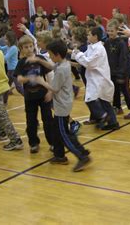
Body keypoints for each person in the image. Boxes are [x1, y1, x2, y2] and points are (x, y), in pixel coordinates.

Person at [34, 39, 91, 171]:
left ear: (57, 55)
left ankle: (81, 157)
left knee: (64, 135)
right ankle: (61, 155)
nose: (50, 57)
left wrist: (40, 81)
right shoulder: (63, 64)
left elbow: (54, 89)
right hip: (65, 103)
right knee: (60, 132)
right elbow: (52, 66)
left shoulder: (61, 70)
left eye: (50, 55)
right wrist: (40, 61)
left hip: (61, 106)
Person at [71, 27, 118, 130]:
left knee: (90, 99)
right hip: (96, 78)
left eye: (89, 35)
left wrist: (77, 54)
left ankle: (103, 116)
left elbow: (88, 63)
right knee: (104, 101)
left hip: (99, 79)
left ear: (95, 36)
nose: (87, 36)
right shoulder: (92, 47)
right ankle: (113, 122)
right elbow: (83, 57)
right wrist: (75, 52)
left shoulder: (99, 49)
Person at [14, 35, 54, 154]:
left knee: (48, 120)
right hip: (30, 96)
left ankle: (52, 142)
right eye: (26, 47)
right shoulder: (21, 63)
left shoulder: (40, 58)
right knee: (31, 121)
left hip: (43, 95)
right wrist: (30, 78)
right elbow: (20, 79)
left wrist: (50, 91)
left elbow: (49, 74)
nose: (29, 49)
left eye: (31, 46)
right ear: (21, 48)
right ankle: (34, 143)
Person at [105, 19, 130, 119]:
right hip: (112, 72)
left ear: (117, 31)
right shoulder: (107, 42)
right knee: (115, 90)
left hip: (122, 73)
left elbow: (124, 60)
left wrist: (121, 74)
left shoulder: (121, 43)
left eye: (112, 31)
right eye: (108, 31)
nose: (110, 33)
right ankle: (117, 107)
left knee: (126, 91)